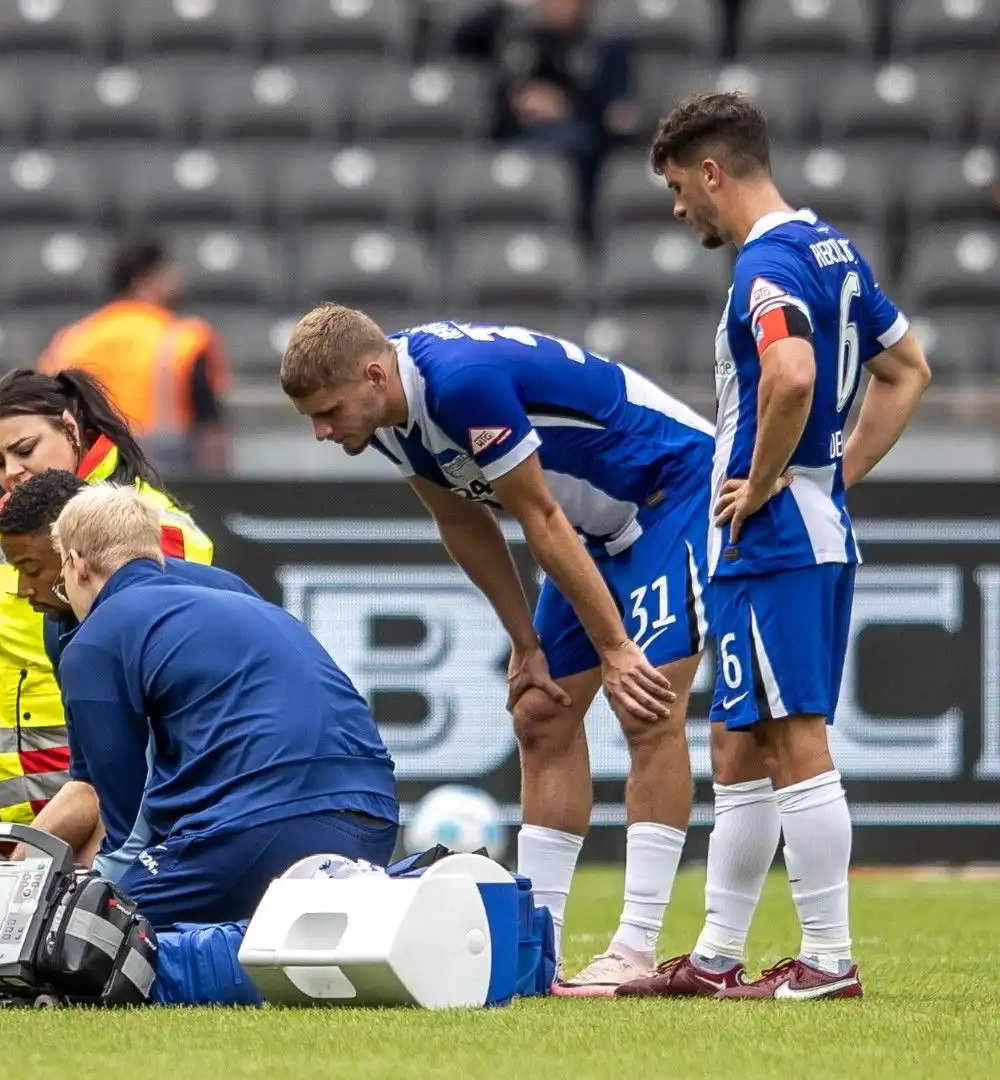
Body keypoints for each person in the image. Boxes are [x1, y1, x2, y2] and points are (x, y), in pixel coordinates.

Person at [281, 303, 699, 994]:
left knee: (646, 704)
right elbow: (461, 519)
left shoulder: (460, 383)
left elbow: (537, 514)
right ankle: (542, 945)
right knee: (540, 713)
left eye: (327, 412)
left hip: (668, 493)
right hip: (590, 529)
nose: (323, 432)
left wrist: (616, 646)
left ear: (374, 373)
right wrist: (524, 642)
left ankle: (636, 945)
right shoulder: (385, 418)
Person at [618, 92, 931, 1001]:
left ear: (713, 172)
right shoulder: (831, 248)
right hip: (810, 521)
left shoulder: (765, 267)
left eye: (681, 187)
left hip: (774, 537)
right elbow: (908, 369)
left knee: (793, 737)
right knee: (736, 741)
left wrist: (763, 484)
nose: (681, 208)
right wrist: (834, 476)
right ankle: (718, 957)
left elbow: (791, 375)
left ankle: (828, 959)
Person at [51, 484, 399, 926]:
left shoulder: (95, 639)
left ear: (78, 565)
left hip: (261, 830)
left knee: (86, 930)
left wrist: (94, 900)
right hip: (374, 821)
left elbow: (123, 829)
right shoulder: (239, 598)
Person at [0, 368, 213, 834]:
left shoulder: (149, 524)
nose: (12, 471)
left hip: (88, 795)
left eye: (25, 450)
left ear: (71, 428)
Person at [5, 468, 259, 876]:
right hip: (210, 808)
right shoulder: (63, 623)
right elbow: (93, 789)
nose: (21, 588)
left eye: (31, 568)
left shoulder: (98, 636)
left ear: (71, 557)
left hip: (234, 808)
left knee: (103, 895)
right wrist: (12, 872)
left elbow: (122, 821)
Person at [39, 241, 231, 477]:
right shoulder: (183, 338)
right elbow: (210, 428)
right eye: (168, 272)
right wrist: (219, 494)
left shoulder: (70, 340)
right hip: (163, 478)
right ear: (143, 279)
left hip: (85, 482)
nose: (178, 280)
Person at [451, 0, 637, 219]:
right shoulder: (518, 37)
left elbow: (615, 115)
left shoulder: (605, 45)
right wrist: (505, 7)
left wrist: (566, 107)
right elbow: (459, 42)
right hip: (516, 138)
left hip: (576, 151)